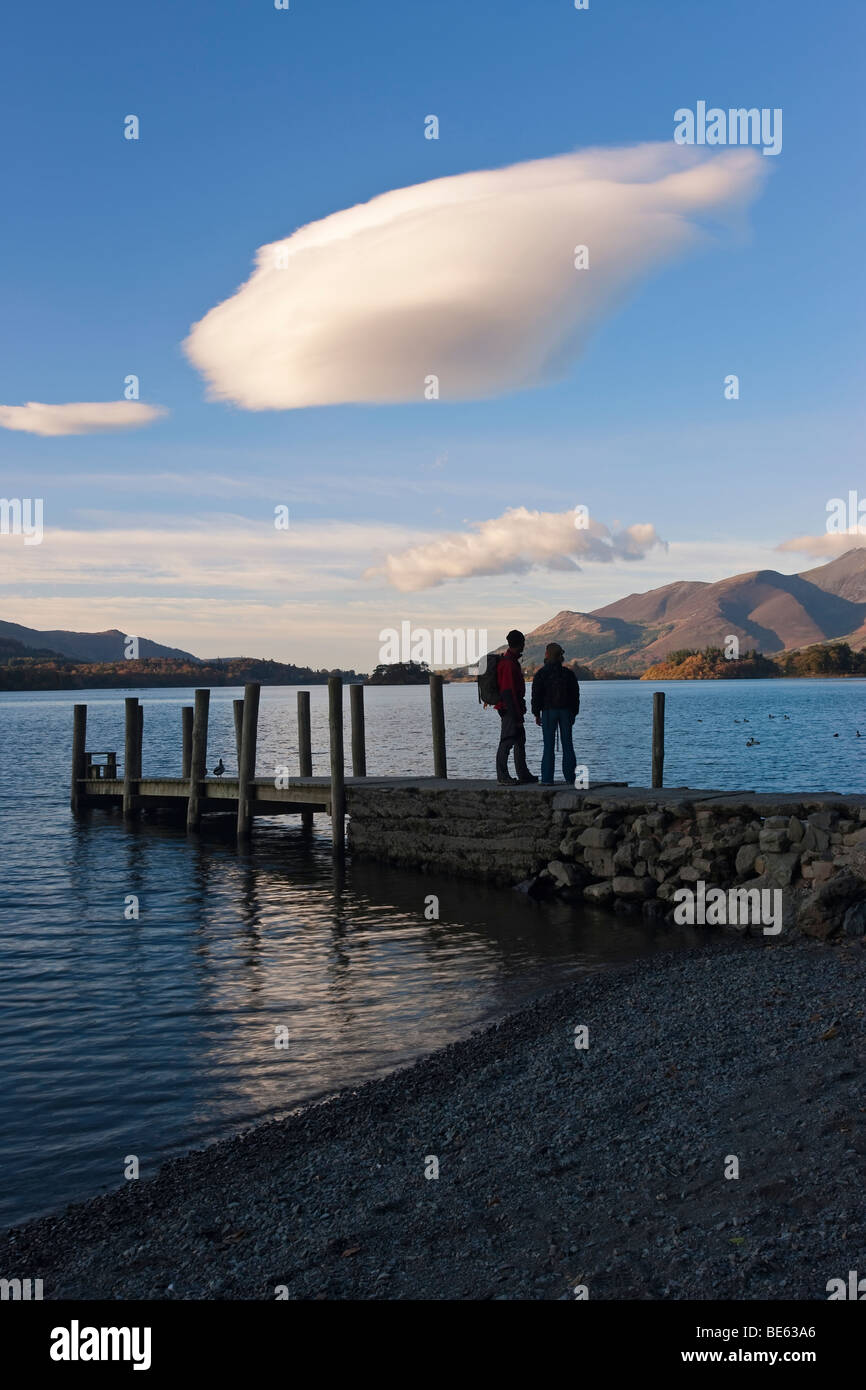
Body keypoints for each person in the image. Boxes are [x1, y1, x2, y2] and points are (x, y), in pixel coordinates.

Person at [531, 642, 580, 785]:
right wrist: (574, 713)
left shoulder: (541, 674)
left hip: (547, 712)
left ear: (547, 654)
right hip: (566, 712)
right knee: (568, 745)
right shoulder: (568, 674)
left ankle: (547, 779)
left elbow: (536, 695)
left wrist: (536, 713)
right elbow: (575, 695)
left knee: (548, 746)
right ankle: (571, 779)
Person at [495, 629, 538, 785]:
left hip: (514, 707)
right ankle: (503, 776)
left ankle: (523, 774)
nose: (524, 647)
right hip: (509, 709)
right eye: (523, 643)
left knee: (520, 740)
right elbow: (507, 692)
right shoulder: (508, 664)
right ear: (520, 643)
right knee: (507, 741)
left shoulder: (511, 662)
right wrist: (515, 714)